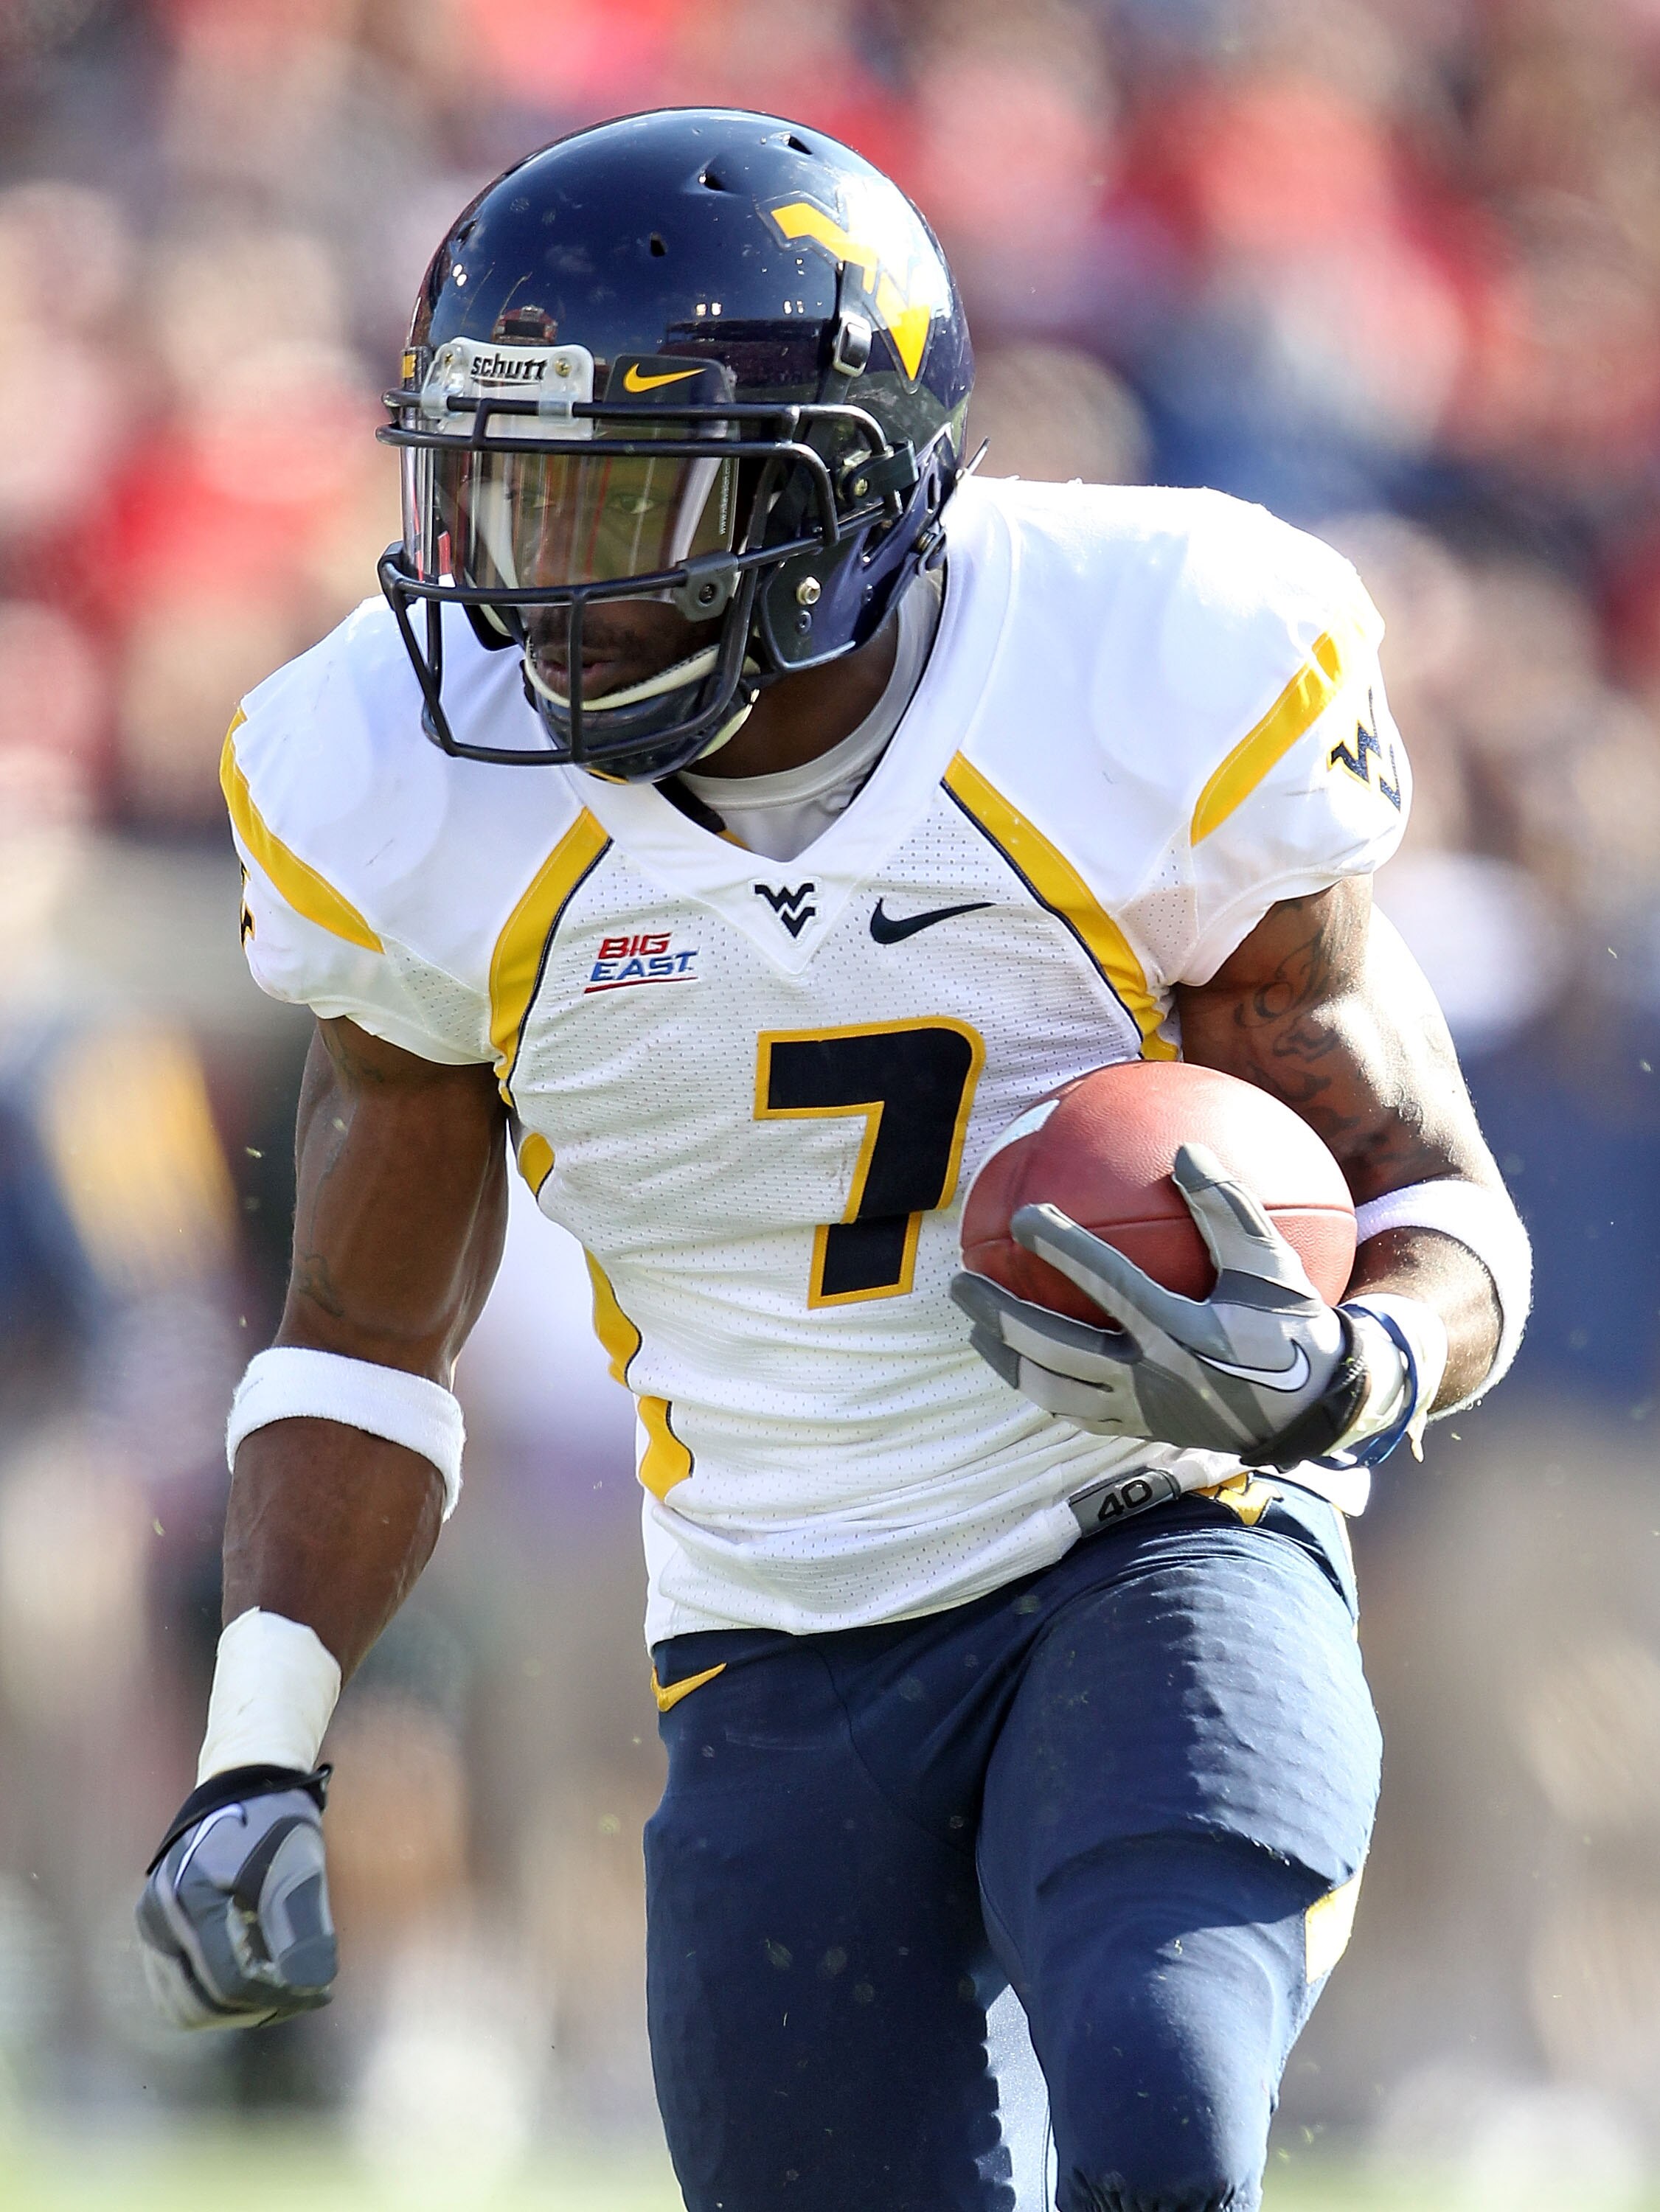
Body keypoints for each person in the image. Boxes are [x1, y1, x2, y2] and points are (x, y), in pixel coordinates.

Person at [136, 109, 1530, 2212]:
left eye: (621, 500)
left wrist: (1351, 1370)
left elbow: (1431, 1196)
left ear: (837, 497)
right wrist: (257, 1749)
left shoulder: (1143, 663)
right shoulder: (394, 789)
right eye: (499, 492)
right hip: (777, 1626)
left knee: (1159, 2116)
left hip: (1152, 1535)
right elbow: (358, 1336)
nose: (538, 586)